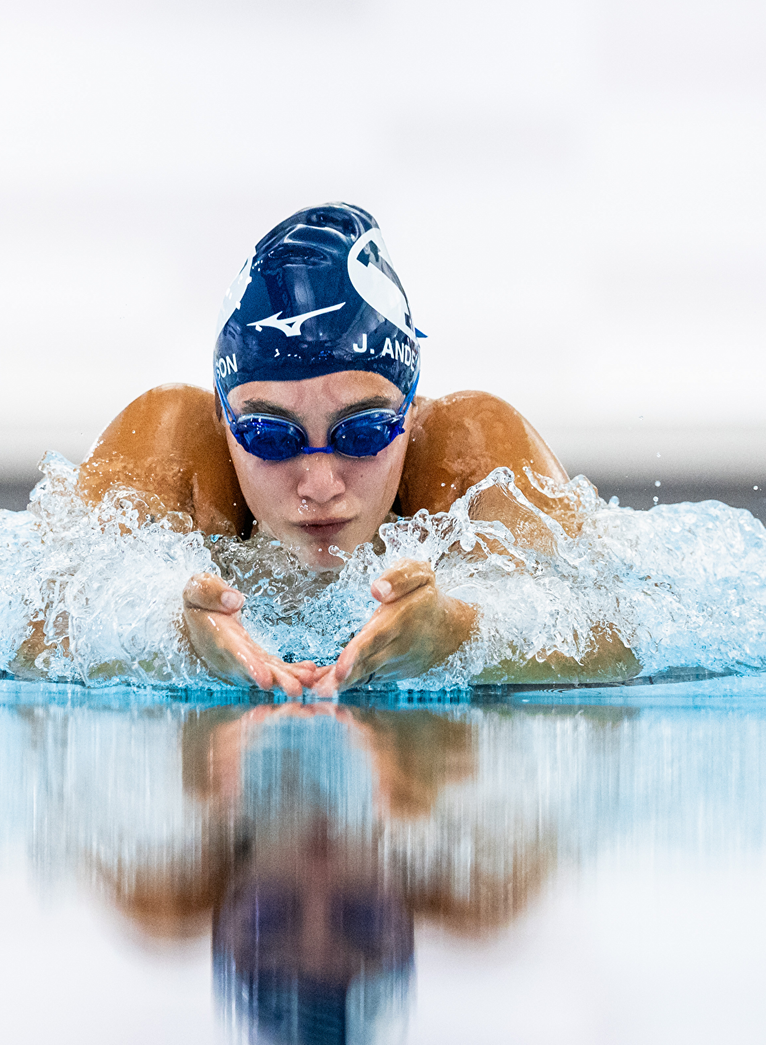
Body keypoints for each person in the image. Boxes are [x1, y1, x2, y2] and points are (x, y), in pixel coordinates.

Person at [76, 203, 637, 696]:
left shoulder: (471, 450)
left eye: (363, 432)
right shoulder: (170, 442)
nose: (320, 485)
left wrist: (455, 633)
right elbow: (29, 620)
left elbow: (621, 631)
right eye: (271, 436)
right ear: (225, 419)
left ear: (410, 408)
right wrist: (177, 640)